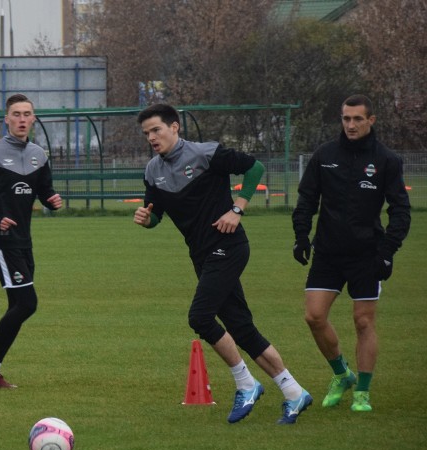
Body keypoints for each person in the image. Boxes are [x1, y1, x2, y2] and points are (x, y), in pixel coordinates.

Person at [133, 103, 312, 424]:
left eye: (156, 130)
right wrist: (147, 218)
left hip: (228, 247)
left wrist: (238, 208)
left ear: (175, 127)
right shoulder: (153, 171)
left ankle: (246, 384)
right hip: (201, 255)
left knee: (200, 317)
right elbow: (156, 213)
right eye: (146, 133)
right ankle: (294, 392)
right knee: (241, 327)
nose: (151, 137)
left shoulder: (205, 154)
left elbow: (255, 168)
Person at [292, 94, 411, 412]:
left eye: (357, 119)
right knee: (314, 317)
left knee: (363, 322)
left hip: (366, 255)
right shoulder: (325, 155)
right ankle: (342, 374)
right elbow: (306, 199)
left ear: (371, 121)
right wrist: (301, 236)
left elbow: (400, 211)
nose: (351, 124)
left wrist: (387, 252)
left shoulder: (386, 160)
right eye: (346, 118)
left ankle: (364, 391)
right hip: (328, 253)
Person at [0, 93, 62, 388]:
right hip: (1, 240)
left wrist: (52, 200)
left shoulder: (38, 155)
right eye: (16, 114)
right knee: (27, 303)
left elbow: (45, 191)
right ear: (6, 119)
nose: (21, 119)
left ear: (33, 118)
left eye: (26, 114)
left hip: (24, 241)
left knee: (17, 307)